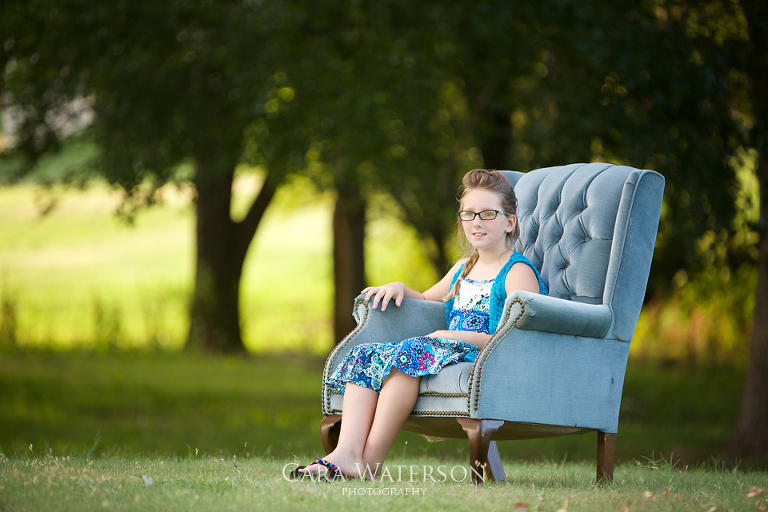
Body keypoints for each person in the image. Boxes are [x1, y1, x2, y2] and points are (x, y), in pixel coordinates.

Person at [294, 169, 547, 480]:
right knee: (366, 354)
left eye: (488, 213)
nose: (476, 222)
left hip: (485, 355)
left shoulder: (517, 271)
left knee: (411, 354)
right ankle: (345, 453)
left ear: (510, 222)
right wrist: (402, 288)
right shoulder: (464, 267)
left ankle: (370, 461)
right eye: (468, 214)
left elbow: (517, 336)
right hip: (445, 346)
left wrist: (452, 335)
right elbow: (429, 298)